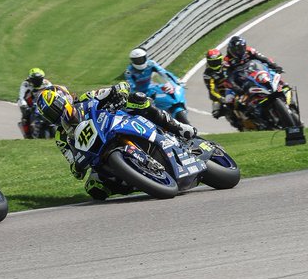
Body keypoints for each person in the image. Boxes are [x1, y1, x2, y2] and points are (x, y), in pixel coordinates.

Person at [37, 83, 195, 200]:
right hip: (98, 154)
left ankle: (178, 127)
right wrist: (77, 167)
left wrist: (119, 92)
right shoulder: (60, 137)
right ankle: (139, 180)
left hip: (117, 123)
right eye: (49, 115)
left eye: (54, 109)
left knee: (138, 100)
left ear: (63, 98)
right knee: (95, 189)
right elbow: (71, 162)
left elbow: (118, 88)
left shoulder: (86, 98)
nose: (54, 115)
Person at [202, 48, 242, 128]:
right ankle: (236, 123)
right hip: (220, 94)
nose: (215, 64)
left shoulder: (227, 65)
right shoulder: (207, 74)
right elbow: (212, 90)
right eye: (212, 62)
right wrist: (221, 98)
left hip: (234, 87)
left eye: (217, 61)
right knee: (218, 111)